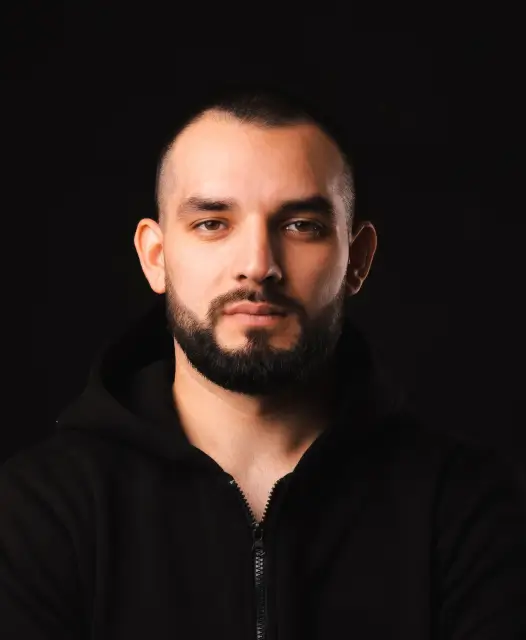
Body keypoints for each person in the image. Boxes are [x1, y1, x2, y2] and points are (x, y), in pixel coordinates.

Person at [1, 87, 525, 640]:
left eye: (301, 225)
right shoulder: (36, 512)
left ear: (357, 260)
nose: (257, 265)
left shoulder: (466, 507)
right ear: (156, 257)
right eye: (212, 223)